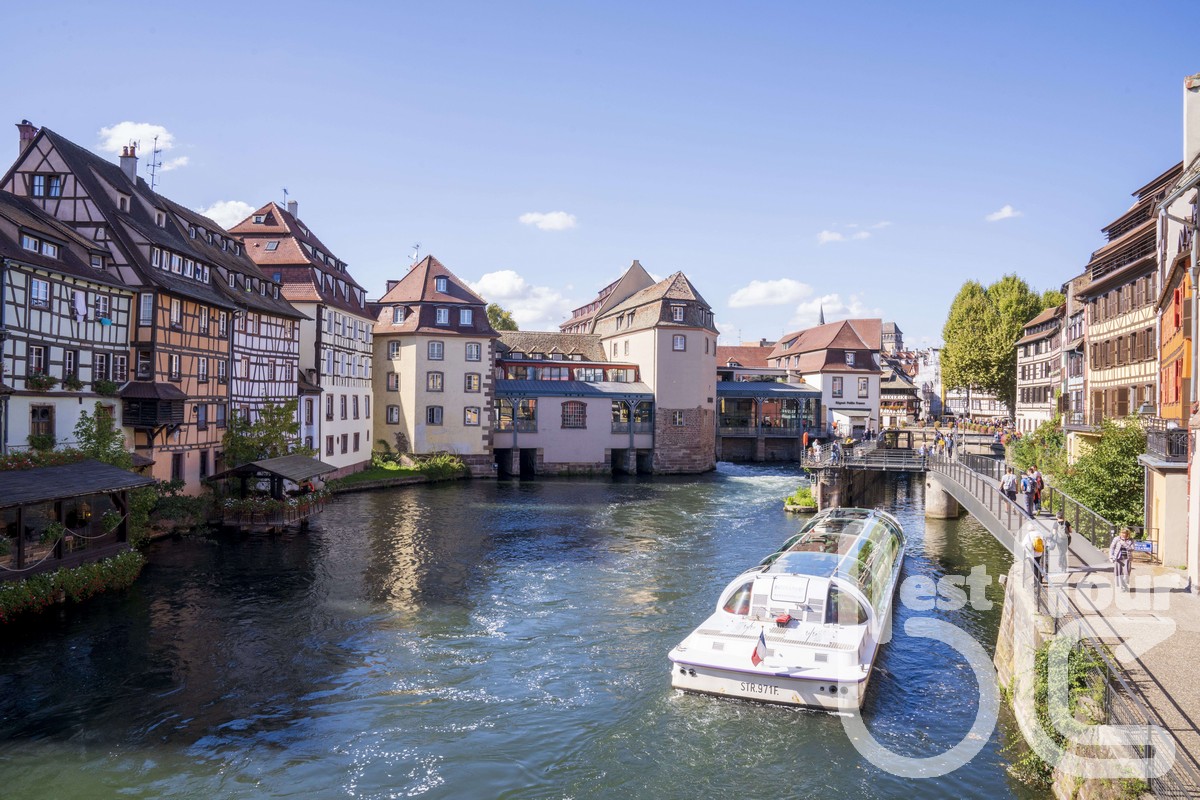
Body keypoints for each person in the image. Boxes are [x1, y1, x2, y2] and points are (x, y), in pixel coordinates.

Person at [1109, 527, 1134, 592]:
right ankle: (1122, 587)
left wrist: (1124, 544)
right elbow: (1112, 547)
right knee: (1119, 573)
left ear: (1128, 534)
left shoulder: (1131, 540)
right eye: (1122, 533)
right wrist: (1111, 557)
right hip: (1118, 558)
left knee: (1126, 573)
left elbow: (1132, 549)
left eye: (1125, 533)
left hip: (1127, 559)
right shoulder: (1117, 539)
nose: (1124, 534)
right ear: (1120, 533)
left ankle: (1125, 585)